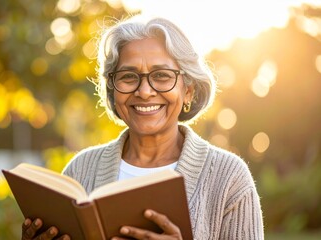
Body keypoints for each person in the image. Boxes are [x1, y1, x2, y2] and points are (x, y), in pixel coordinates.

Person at [21, 15, 264, 240]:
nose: (144, 92)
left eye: (161, 75)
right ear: (113, 91)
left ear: (187, 90)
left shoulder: (229, 177)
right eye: (128, 76)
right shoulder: (80, 170)